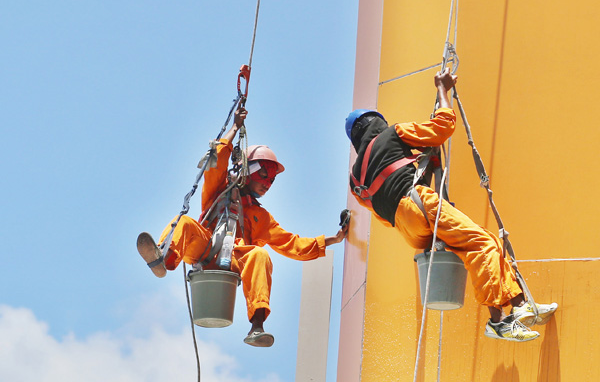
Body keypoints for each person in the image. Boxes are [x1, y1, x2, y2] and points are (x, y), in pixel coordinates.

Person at [345, 68, 557, 342]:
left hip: (406, 227)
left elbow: (382, 214)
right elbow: (442, 127)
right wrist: (442, 90)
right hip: (419, 203)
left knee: (479, 243)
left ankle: (519, 305)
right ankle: (500, 321)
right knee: (482, 244)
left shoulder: (354, 179)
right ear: (375, 123)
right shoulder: (392, 135)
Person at [137, 107, 348, 348]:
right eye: (265, 175)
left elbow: (292, 244)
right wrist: (235, 127)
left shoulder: (260, 217)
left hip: (234, 261)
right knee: (183, 222)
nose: (268, 183)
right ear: (248, 170)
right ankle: (164, 261)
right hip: (205, 249)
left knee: (259, 254)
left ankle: (257, 326)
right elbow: (215, 162)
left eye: (272, 180)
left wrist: (332, 239)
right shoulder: (221, 189)